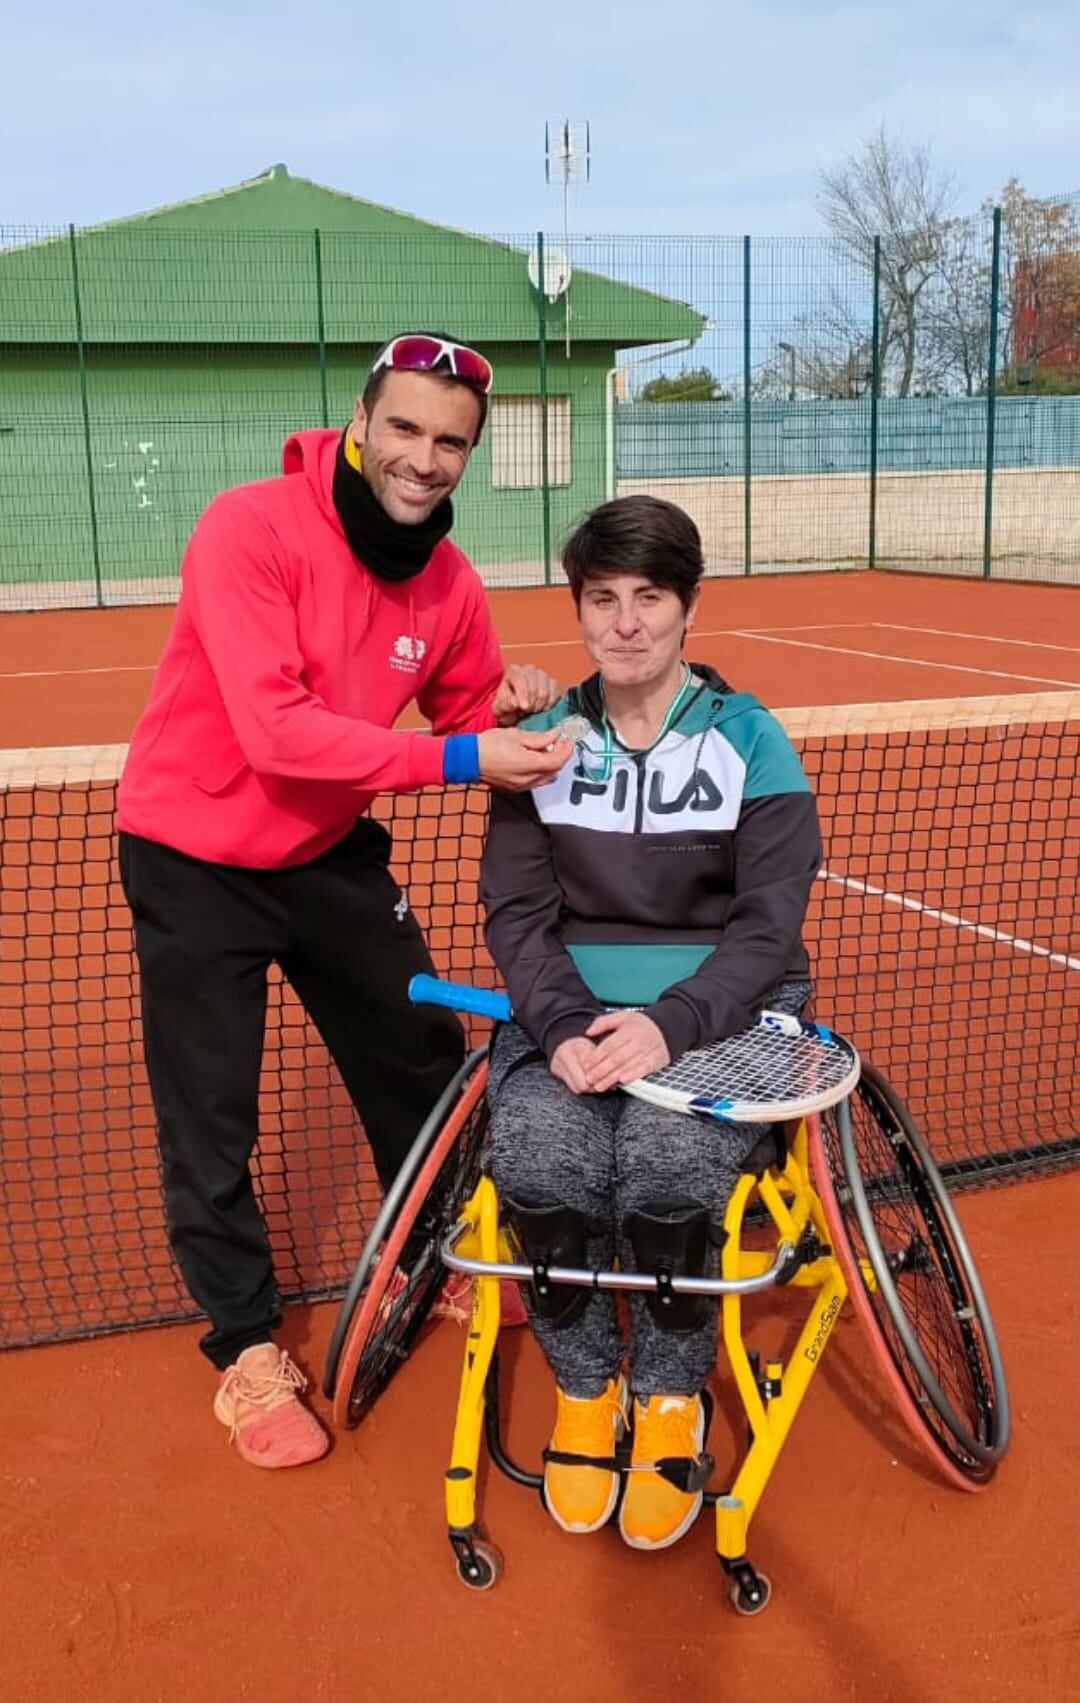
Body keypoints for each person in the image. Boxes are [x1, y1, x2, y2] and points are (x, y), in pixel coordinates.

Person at [117, 332, 572, 1469]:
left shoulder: (452, 581)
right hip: (194, 851)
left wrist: (504, 704)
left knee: (420, 1055)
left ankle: (449, 1251)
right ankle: (242, 1344)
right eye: (407, 428)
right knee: (211, 1110)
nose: (425, 458)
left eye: (451, 443)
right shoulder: (249, 528)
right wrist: (472, 761)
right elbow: (277, 731)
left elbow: (465, 710)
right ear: (362, 421)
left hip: (326, 853)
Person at [479, 494, 821, 1551]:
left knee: (669, 1164)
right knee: (539, 1151)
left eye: (650, 598)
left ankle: (671, 1393)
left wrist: (671, 1024)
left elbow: (768, 929)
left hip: (720, 1012)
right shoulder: (538, 744)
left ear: (687, 607)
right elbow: (518, 914)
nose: (626, 622)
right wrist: (566, 1022)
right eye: (602, 598)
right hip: (568, 1014)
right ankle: (588, 1389)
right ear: (579, 609)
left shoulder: (751, 741)